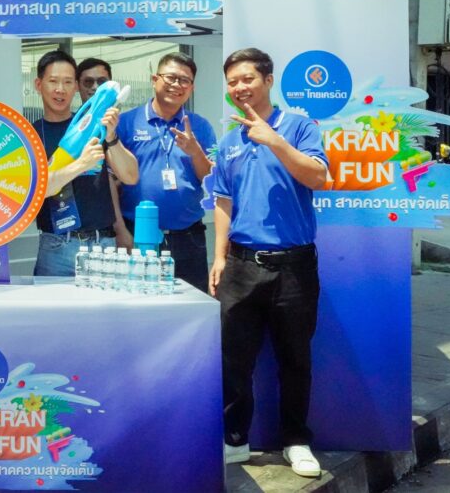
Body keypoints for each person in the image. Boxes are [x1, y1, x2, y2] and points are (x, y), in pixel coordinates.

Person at [209, 48, 329, 478]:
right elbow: (223, 201)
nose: (240, 87)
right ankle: (235, 439)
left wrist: (274, 140)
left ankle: (296, 441)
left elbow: (318, 176)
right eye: (233, 81)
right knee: (233, 359)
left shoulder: (299, 126)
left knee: (295, 359)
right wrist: (219, 256)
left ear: (268, 80)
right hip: (241, 266)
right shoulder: (229, 141)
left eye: (247, 79)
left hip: (294, 266)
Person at [104, 52, 216, 292]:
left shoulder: (200, 126)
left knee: (191, 305)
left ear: (192, 87)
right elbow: (109, 181)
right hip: (138, 236)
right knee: (139, 304)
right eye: (171, 78)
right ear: (154, 79)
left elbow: (209, 179)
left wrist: (195, 151)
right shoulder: (127, 122)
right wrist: (120, 230)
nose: (177, 85)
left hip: (188, 238)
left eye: (184, 80)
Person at [31, 50, 116, 276]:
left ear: (76, 87)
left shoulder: (92, 125)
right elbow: (37, 191)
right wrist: (81, 164)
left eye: (68, 82)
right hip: (55, 247)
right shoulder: (28, 137)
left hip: (102, 245)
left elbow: (130, 176)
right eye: (53, 81)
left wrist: (112, 137)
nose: (60, 89)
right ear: (39, 84)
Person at [76, 58, 130, 249]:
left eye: (101, 82)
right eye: (88, 82)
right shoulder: (75, 127)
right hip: (69, 232)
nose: (95, 87)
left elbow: (128, 177)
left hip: (114, 228)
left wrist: (120, 230)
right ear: (78, 86)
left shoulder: (122, 125)